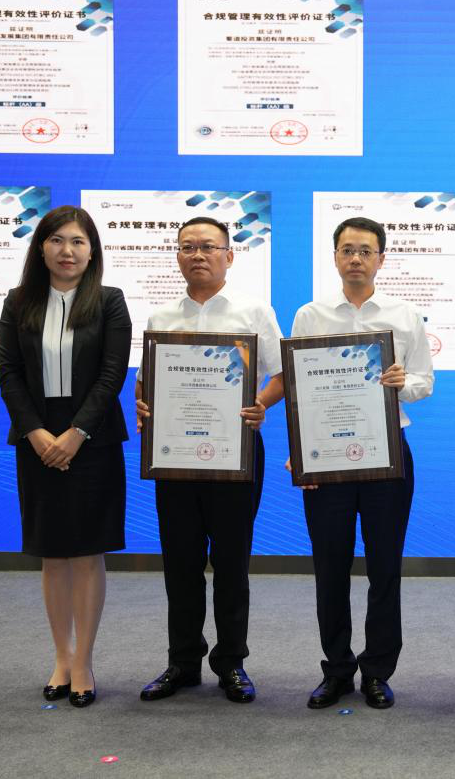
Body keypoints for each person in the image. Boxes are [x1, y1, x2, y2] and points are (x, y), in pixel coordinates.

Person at [135, 216, 284, 704]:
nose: (197, 255)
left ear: (229, 255)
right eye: (187, 247)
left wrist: (259, 404)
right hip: (175, 457)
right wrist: (143, 407)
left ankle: (232, 662)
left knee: (231, 563)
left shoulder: (254, 312)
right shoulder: (161, 316)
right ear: (177, 256)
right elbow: (146, 383)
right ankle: (182, 662)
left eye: (208, 247)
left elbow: (281, 375)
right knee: (180, 562)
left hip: (236, 452)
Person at [288, 217, 434, 710]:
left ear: (381, 259)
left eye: (365, 251)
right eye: (347, 249)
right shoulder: (310, 315)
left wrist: (402, 383)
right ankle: (336, 670)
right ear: (335, 257)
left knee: (384, 567)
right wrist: (302, 452)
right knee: (329, 567)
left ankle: (376, 671)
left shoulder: (404, 315)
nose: (356, 258)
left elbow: (424, 382)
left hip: (387, 454)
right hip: (326, 459)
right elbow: (298, 389)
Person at [0, 205, 132, 709]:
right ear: (41, 249)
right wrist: (35, 433)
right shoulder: (18, 302)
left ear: (92, 250)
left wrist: (76, 434)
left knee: (87, 552)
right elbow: (9, 373)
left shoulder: (110, 301)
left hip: (92, 437)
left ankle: (84, 662)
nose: (67, 251)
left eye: (77, 241)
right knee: (53, 553)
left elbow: (112, 374)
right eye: (56, 240)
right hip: (36, 439)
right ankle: (61, 657)